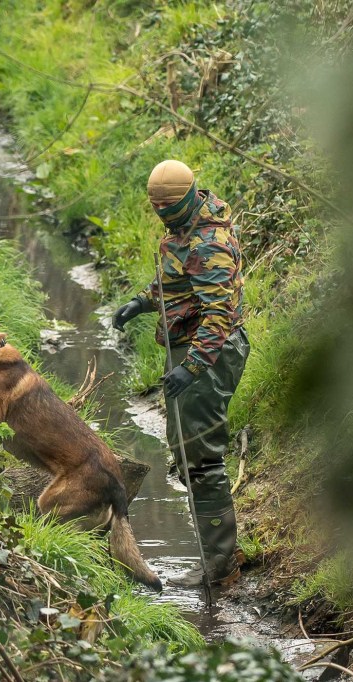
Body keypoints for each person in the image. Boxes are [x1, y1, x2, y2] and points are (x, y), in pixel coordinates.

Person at [113, 159, 250, 587]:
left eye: (167, 206)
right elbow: (174, 281)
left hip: (209, 354)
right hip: (192, 350)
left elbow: (219, 315)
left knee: (202, 458)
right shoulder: (184, 232)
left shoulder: (209, 242)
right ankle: (221, 553)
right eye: (156, 206)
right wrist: (142, 301)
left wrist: (191, 369)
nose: (161, 213)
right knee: (187, 453)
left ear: (186, 199)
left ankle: (221, 564)